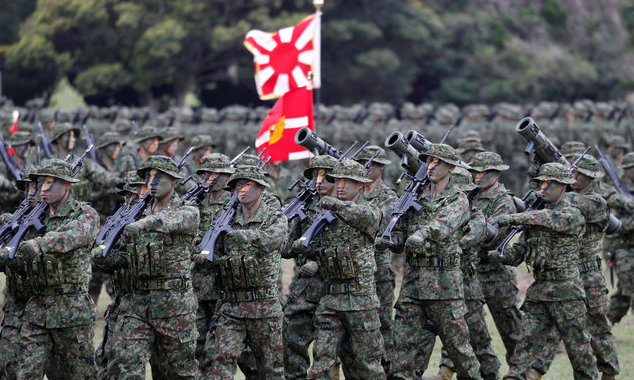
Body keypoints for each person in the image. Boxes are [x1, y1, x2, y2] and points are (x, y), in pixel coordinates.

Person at [492, 162, 598, 380]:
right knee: (523, 348)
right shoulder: (536, 215)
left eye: (550, 184)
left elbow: (549, 220)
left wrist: (514, 217)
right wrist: (503, 256)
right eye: (542, 183)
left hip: (567, 292)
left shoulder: (572, 214)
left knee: (579, 351)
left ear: (563, 186)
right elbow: (521, 250)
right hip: (539, 291)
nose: (544, 188)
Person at [387, 144, 482, 380]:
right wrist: (390, 235)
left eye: (436, 162)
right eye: (428, 161)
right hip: (414, 279)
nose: (430, 167)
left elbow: (445, 224)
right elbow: (402, 236)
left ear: (450, 167)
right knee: (403, 345)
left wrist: (422, 234)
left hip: (444, 281)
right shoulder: (414, 194)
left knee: (458, 346)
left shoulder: (458, 199)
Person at [3, 158, 100, 379]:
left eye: (49, 183)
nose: (42, 189)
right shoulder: (32, 218)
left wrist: (39, 244)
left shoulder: (85, 214)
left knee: (80, 374)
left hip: (72, 311)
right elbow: (17, 257)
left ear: (67, 185)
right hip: (37, 309)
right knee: (25, 373)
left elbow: (72, 236)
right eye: (39, 184)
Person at [107, 155, 201, 379]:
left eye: (159, 176)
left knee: (180, 371)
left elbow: (165, 221)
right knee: (128, 365)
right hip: (137, 303)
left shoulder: (188, 211)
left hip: (174, 305)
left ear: (174, 181)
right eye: (149, 176)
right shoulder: (134, 214)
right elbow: (121, 255)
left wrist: (139, 224)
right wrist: (102, 256)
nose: (153, 181)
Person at [529, 154, 619, 380]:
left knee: (597, 325)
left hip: (587, 272)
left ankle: (608, 373)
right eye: (571, 172)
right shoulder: (561, 197)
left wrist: (554, 190)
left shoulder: (595, 201)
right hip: (562, 274)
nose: (573, 176)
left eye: (577, 174)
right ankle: (534, 371)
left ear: (589, 178)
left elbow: (565, 204)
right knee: (551, 328)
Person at [300, 159, 385, 380]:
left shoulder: (369, 212)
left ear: (360, 185)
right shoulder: (325, 216)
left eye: (347, 181)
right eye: (337, 180)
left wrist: (333, 204)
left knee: (367, 365)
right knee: (321, 363)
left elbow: (366, 218)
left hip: (361, 300)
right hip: (331, 298)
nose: (340, 185)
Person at [204, 164, 288, 379]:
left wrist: (243, 236)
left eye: (248, 184)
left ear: (261, 188)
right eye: (238, 185)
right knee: (218, 365)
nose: (242, 189)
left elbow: (275, 239)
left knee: (270, 370)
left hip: (264, 306)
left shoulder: (274, 216)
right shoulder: (224, 219)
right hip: (231, 306)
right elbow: (208, 254)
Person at [283, 155, 337, 379]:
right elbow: (287, 250)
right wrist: (286, 220)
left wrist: (319, 261)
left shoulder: (351, 208)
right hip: (305, 287)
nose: (319, 181)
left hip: (337, 287)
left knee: (328, 351)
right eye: (316, 175)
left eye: (326, 176)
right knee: (291, 338)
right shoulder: (306, 206)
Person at [468, 152, 522, 366]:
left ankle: (520, 372)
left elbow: (494, 236)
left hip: (496, 275)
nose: (478, 176)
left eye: (483, 172)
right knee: (473, 330)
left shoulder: (503, 200)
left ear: (496, 174)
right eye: (476, 171)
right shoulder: (471, 196)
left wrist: (469, 231)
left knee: (512, 331)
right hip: (472, 273)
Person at [191, 153, 235, 366]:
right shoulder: (194, 202)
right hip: (197, 285)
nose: (212, 178)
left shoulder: (234, 203)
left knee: (220, 345)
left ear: (227, 176)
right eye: (208, 174)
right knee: (196, 342)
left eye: (218, 174)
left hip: (222, 284)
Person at [605, 152, 634, 324]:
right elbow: (615, 223)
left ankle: (602, 328)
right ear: (627, 170)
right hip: (619, 248)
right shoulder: (615, 192)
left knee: (624, 295)